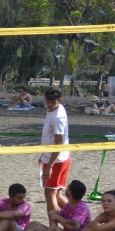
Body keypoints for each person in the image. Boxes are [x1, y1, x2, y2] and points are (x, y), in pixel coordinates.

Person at [0, 181, 90, 231]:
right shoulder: (69, 205)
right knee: (34, 224)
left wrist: (57, 217)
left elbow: (74, 226)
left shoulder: (81, 207)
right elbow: (61, 216)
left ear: (69, 193)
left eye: (68, 187)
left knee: (54, 229)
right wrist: (56, 214)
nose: (66, 188)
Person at [40, 87, 70, 222]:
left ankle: (53, 228)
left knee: (50, 194)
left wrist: (49, 165)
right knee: (57, 195)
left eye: (53, 102)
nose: (50, 104)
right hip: (60, 157)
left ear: (60, 100)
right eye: (48, 101)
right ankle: (77, 216)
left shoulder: (57, 117)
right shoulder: (56, 109)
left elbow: (58, 144)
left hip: (56, 160)